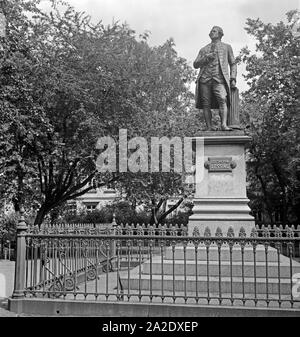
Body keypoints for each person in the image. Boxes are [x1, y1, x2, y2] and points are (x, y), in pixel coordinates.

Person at [194, 26, 237, 131]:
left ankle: (223, 125)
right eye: (211, 31)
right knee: (206, 104)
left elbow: (233, 63)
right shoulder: (204, 49)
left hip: (219, 78)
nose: (211, 33)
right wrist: (206, 57)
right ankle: (209, 127)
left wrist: (233, 78)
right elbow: (195, 64)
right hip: (205, 79)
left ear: (220, 34)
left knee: (223, 99)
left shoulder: (227, 47)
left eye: (214, 31)